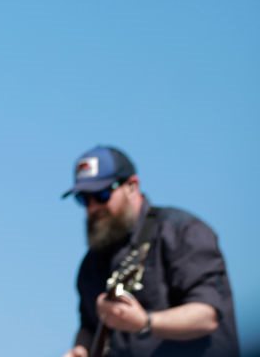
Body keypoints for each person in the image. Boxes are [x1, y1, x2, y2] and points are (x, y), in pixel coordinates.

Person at [60, 146, 239, 357]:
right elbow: (89, 326)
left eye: (102, 195)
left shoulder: (181, 231)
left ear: (132, 186)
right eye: (83, 199)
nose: (93, 207)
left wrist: (145, 322)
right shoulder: (92, 263)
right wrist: (80, 350)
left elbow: (207, 315)